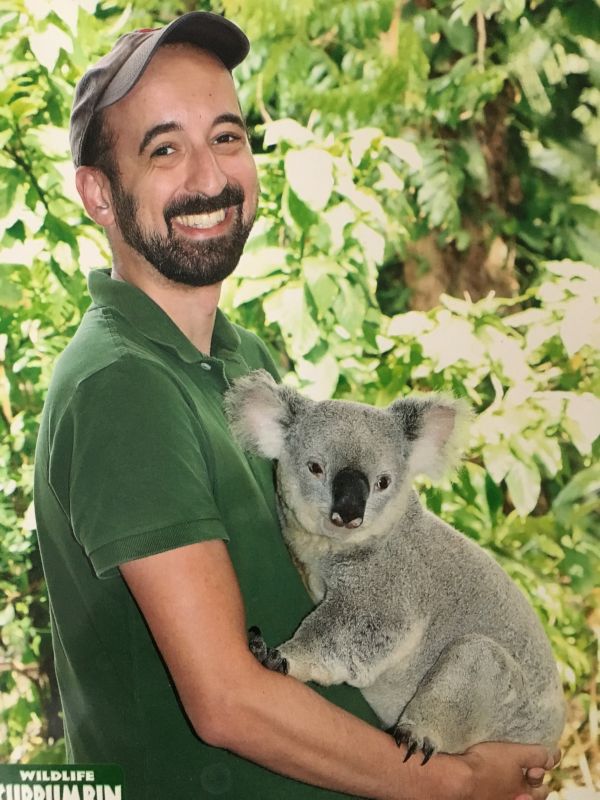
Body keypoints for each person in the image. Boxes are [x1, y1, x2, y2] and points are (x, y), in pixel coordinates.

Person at [33, 11, 559, 800]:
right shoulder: (122, 385)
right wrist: (454, 784)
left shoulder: (239, 360)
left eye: (228, 137)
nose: (209, 176)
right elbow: (229, 702)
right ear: (99, 194)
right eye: (164, 149)